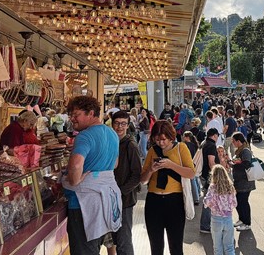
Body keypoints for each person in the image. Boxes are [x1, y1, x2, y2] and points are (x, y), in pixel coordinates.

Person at [62, 96, 121, 255]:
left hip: (84, 205)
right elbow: (115, 164)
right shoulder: (112, 133)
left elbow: (75, 166)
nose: (72, 119)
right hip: (106, 201)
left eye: (76, 114)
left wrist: (75, 179)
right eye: (71, 115)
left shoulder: (85, 136)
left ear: (91, 113)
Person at [140, 120, 195, 255]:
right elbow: (142, 180)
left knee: (176, 246)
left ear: (171, 136)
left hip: (174, 201)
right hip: (154, 201)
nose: (161, 143)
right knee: (156, 246)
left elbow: (191, 173)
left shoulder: (181, 148)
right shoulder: (153, 150)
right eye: (157, 139)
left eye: (163, 139)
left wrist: (171, 165)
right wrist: (151, 170)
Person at [110, 111, 142, 255]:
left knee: (123, 242)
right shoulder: (111, 142)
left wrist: (121, 191)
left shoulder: (130, 145)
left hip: (124, 200)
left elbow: (137, 175)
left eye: (123, 124)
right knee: (113, 239)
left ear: (128, 125)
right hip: (110, 199)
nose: (119, 127)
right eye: (117, 123)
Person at [203, 165, 237, 255]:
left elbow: (207, 201)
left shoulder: (213, 187)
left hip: (216, 218)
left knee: (217, 247)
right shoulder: (230, 187)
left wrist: (210, 205)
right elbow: (234, 203)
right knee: (229, 247)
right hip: (228, 219)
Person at [230, 132, 255, 231]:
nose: (232, 143)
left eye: (233, 141)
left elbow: (246, 164)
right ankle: (242, 219)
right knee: (238, 201)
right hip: (240, 181)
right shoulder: (240, 150)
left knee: (243, 202)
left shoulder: (245, 151)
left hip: (245, 181)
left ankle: (247, 222)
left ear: (238, 141)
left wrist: (234, 164)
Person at [200, 128, 220, 234]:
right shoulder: (211, 145)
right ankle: (205, 225)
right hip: (209, 176)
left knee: (208, 200)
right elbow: (211, 162)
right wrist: (216, 175)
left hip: (203, 175)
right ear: (215, 135)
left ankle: (207, 223)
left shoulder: (204, 143)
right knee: (208, 201)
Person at [182, 131, 201, 206]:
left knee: (192, 180)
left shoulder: (185, 145)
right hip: (195, 163)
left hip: (189, 164)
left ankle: (196, 198)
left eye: (184, 136)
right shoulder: (195, 145)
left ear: (187, 137)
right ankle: (198, 193)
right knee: (196, 179)